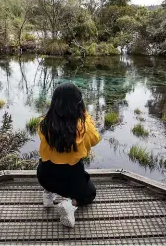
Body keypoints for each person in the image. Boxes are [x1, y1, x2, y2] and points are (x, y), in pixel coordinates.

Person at [36, 82, 101, 228]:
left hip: (44, 176)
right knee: (90, 193)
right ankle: (69, 204)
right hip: (71, 181)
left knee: (50, 170)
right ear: (78, 104)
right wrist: (85, 115)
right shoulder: (84, 127)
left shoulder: (44, 124)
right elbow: (95, 139)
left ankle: (48, 193)